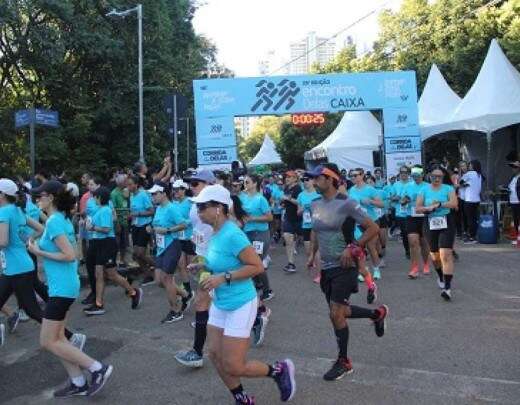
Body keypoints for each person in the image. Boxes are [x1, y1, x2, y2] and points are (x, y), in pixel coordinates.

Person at [191, 184, 296, 404]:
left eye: (202, 207)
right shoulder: (213, 232)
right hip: (220, 302)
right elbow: (217, 263)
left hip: (240, 303)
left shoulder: (233, 234)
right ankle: (242, 398)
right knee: (215, 355)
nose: (198, 212)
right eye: (198, 207)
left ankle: (278, 370)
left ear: (219, 208)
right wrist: (203, 268)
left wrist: (223, 277)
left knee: (234, 365)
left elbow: (256, 266)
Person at [27, 180, 113, 397]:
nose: (37, 199)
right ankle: (78, 381)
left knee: (47, 341)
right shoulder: (59, 219)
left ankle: (97, 368)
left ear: (52, 197)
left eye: (40, 195)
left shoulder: (56, 221)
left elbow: (70, 255)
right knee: (59, 339)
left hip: (62, 288)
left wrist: (40, 253)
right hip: (63, 286)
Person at [305, 164, 388, 381]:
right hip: (327, 267)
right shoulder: (313, 204)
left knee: (335, 313)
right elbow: (315, 231)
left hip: (346, 266)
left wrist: (354, 247)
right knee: (340, 312)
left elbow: (373, 228)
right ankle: (377, 314)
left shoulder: (347, 203)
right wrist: (312, 255)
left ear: (331, 179)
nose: (313, 182)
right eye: (312, 179)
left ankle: (344, 361)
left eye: (317, 178)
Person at [174, 169, 216, 368]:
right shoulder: (195, 203)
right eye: (190, 184)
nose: (192, 187)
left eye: (196, 183)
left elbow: (234, 225)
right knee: (213, 299)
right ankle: (258, 315)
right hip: (202, 256)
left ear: (209, 184)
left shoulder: (220, 204)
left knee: (202, 299)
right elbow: (197, 230)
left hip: (215, 258)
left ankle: (197, 351)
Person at [83, 187, 142, 315]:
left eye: (95, 197)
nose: (93, 199)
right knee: (99, 274)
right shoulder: (99, 210)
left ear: (99, 198)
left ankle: (133, 292)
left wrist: (92, 227)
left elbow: (106, 229)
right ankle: (98, 304)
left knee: (112, 274)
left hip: (107, 244)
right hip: (99, 244)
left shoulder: (105, 210)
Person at [240, 174, 273, 346]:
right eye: (244, 182)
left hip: (260, 233)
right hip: (247, 233)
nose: (245, 184)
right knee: (253, 265)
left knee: (255, 264)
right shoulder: (242, 197)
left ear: (255, 184)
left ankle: (259, 298)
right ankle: (265, 290)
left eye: (247, 182)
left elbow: (269, 218)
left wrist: (253, 218)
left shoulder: (261, 199)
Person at [148, 181, 189, 323]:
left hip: (172, 245)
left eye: (155, 194)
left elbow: (184, 224)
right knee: (159, 281)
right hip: (161, 248)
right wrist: (151, 229)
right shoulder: (159, 208)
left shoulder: (172, 208)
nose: (152, 196)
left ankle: (176, 311)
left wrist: (168, 231)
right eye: (152, 194)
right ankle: (185, 294)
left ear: (164, 193)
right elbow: (157, 225)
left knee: (167, 279)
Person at [416, 166, 458, 300]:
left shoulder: (448, 189)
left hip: (446, 221)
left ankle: (447, 288)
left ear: (443, 177)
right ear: (430, 176)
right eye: (434, 176)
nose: (437, 179)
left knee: (445, 254)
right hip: (430, 222)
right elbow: (417, 208)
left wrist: (439, 204)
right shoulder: (424, 189)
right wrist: (427, 208)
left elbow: (454, 204)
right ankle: (440, 275)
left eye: (439, 176)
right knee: (434, 256)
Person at [348, 168, 385, 280]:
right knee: (359, 247)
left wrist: (370, 201)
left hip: (371, 222)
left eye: (355, 175)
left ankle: (376, 270)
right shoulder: (351, 190)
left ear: (362, 175)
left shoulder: (370, 189)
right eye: (351, 176)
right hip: (358, 223)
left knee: (371, 246)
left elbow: (382, 204)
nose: (353, 178)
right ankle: (362, 271)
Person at [127, 175, 156, 285]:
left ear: (136, 184)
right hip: (135, 226)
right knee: (135, 254)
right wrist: (130, 216)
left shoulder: (143, 194)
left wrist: (138, 214)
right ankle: (149, 274)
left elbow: (151, 211)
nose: (128, 187)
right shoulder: (131, 196)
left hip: (145, 225)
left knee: (140, 254)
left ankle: (160, 267)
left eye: (130, 184)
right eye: (127, 184)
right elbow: (132, 210)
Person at [171, 179, 195, 310]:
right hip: (178, 238)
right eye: (174, 189)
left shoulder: (190, 202)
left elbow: (193, 219)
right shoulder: (173, 204)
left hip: (190, 238)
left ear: (184, 190)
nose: (176, 192)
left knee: (193, 267)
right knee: (181, 265)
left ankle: (209, 287)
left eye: (178, 189)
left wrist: (183, 223)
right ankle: (188, 290)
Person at [403, 166, 430, 278]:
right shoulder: (408, 186)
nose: (415, 178)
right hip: (411, 216)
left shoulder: (428, 187)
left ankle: (426, 264)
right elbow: (403, 200)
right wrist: (405, 201)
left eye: (417, 176)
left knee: (424, 243)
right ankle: (414, 268)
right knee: (413, 242)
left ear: (422, 175)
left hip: (424, 217)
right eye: (413, 176)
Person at [296, 175, 321, 282]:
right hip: (306, 224)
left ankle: (320, 274)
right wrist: (302, 209)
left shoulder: (318, 193)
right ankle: (313, 263)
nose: (305, 182)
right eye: (303, 180)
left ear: (313, 181)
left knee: (318, 249)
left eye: (307, 180)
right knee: (309, 251)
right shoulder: (301, 195)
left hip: (318, 225)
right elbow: (298, 212)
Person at [281, 171, 302, 273]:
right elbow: (285, 201)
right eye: (286, 177)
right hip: (288, 217)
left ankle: (313, 259)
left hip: (299, 218)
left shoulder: (298, 188)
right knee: (288, 239)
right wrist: (282, 203)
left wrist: (288, 199)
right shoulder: (286, 188)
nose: (287, 179)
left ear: (295, 178)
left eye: (289, 177)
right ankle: (291, 263)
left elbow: (300, 202)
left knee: (309, 244)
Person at [391, 166, 412, 258]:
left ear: (408, 174)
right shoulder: (396, 185)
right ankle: (407, 250)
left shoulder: (412, 184)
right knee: (404, 233)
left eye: (405, 172)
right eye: (402, 172)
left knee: (412, 233)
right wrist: (397, 198)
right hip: (400, 213)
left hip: (411, 212)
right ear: (400, 174)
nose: (403, 174)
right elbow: (391, 197)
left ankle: (414, 248)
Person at [460, 160, 483, 244]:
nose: (469, 166)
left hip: (469, 199)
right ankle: (474, 236)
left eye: (470, 165)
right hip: (476, 200)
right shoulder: (479, 174)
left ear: (473, 166)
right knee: (474, 218)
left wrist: (464, 184)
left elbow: (460, 181)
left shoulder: (469, 174)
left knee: (470, 219)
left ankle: (472, 237)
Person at [110, 174, 130, 268]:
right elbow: (113, 208)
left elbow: (128, 204)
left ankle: (122, 260)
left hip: (126, 220)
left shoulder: (126, 191)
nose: (127, 183)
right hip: (118, 220)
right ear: (120, 183)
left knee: (124, 242)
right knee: (117, 242)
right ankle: (116, 260)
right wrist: (117, 222)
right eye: (125, 181)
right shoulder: (114, 193)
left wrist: (128, 197)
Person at [507, 161, 520, 245]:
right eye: (512, 167)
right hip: (513, 201)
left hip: (518, 201)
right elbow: (510, 187)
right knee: (515, 220)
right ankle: (517, 237)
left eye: (515, 167)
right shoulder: (513, 177)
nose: (513, 169)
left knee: (518, 220)